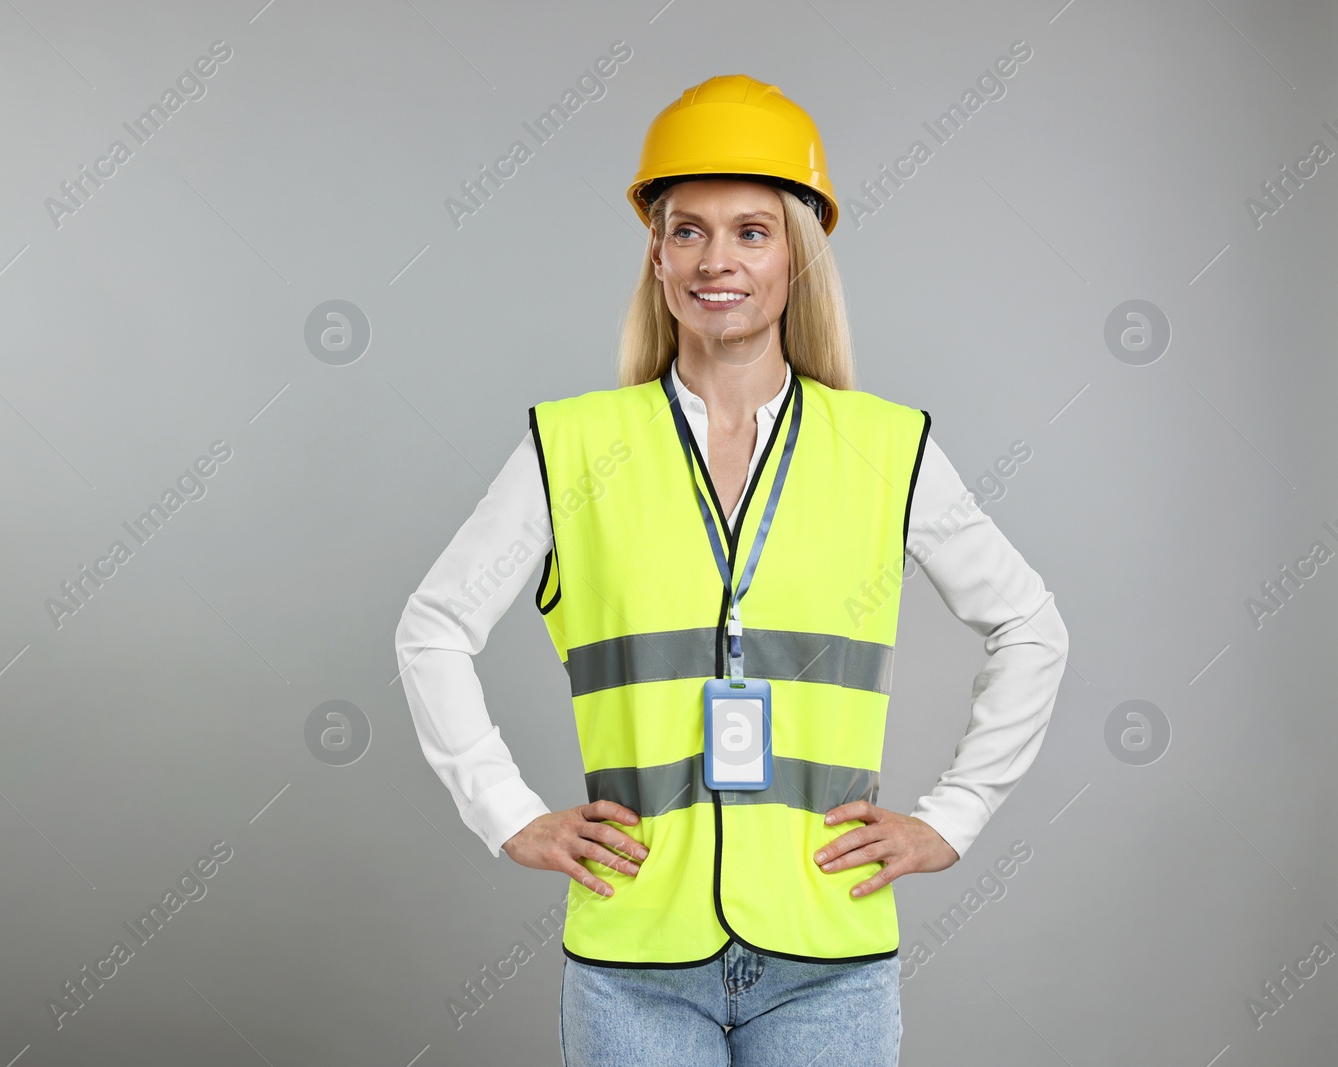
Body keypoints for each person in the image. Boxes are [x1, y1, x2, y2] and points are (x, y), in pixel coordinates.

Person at [395, 74, 1069, 1066]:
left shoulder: (888, 448)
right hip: (635, 953)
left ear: (798, 254)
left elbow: (1030, 626)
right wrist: (506, 812)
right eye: (686, 230)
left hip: (827, 955)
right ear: (655, 255)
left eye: (752, 230)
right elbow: (433, 626)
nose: (718, 260)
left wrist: (949, 820)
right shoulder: (571, 446)